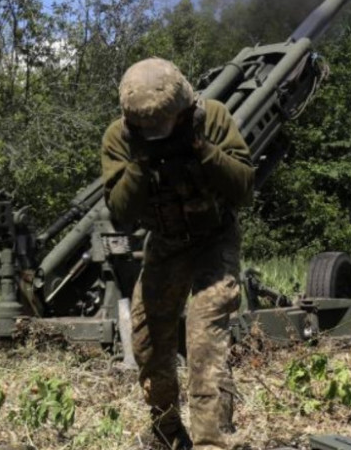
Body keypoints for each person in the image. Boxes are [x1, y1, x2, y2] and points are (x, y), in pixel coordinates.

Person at [100, 58, 255, 450]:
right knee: (148, 340)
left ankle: (211, 442)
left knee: (204, 339)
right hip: (166, 241)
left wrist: (199, 147)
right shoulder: (120, 138)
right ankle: (167, 433)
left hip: (214, 238)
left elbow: (243, 188)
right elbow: (120, 212)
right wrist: (140, 159)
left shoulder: (213, 119)